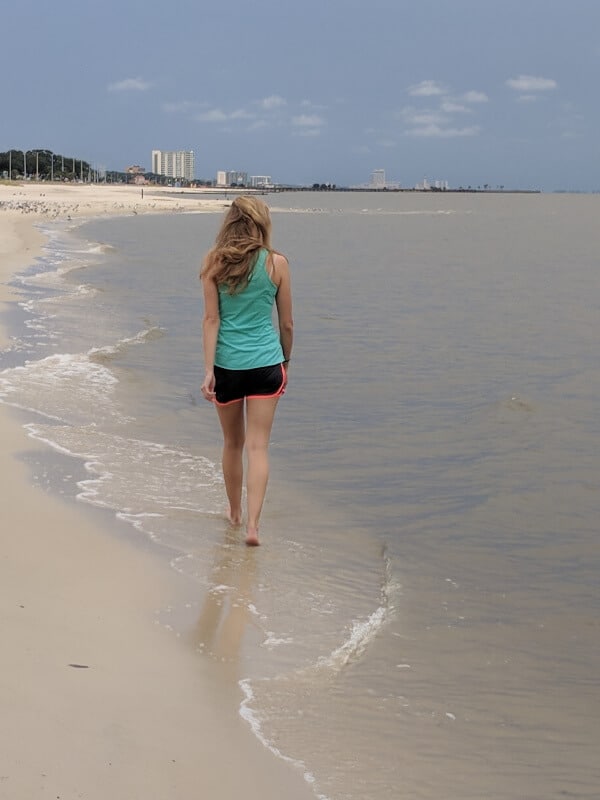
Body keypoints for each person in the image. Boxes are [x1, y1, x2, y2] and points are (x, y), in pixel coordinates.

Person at [200, 196, 293, 546]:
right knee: (259, 447)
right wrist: (285, 360)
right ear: (262, 223)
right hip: (267, 365)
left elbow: (211, 319)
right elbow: (287, 323)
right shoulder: (277, 263)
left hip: (226, 366)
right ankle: (254, 527)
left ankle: (235, 513)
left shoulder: (214, 263)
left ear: (230, 222)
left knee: (232, 443)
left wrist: (208, 370)